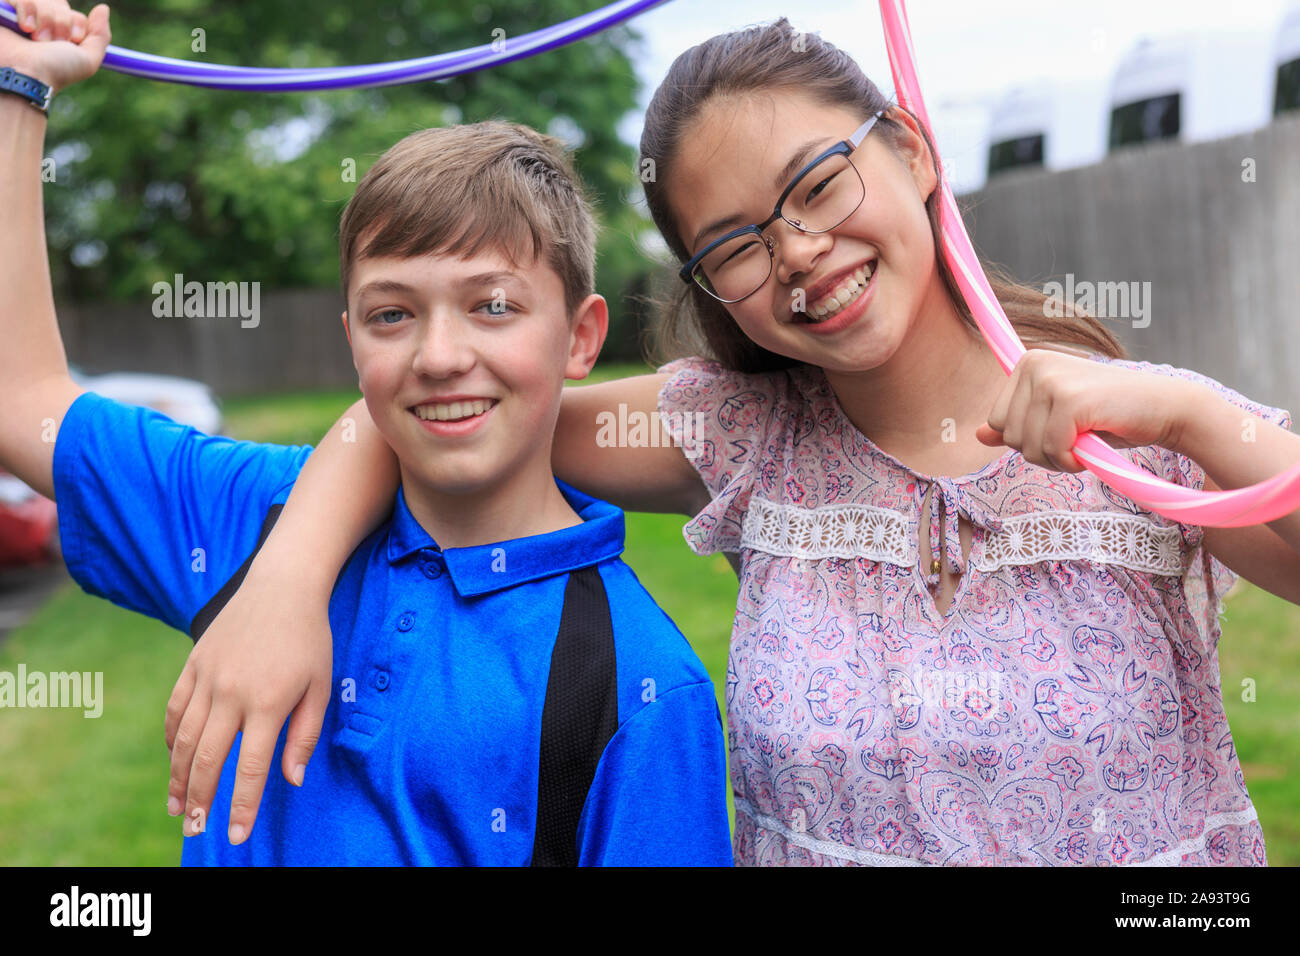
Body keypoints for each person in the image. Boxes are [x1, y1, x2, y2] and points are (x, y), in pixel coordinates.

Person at [175, 20, 1300, 865]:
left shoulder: (1140, 427)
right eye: (736, 246)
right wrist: (284, 585)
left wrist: (1190, 415)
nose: (800, 249)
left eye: (816, 182)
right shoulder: (741, 434)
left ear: (909, 150)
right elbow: (445, 400)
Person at [0, 0, 733, 866]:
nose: (439, 355)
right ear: (351, 341)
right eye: (392, 314)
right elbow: (23, 399)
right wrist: (20, 85)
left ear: (580, 336)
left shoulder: (639, 685)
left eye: (492, 306)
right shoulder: (255, 519)